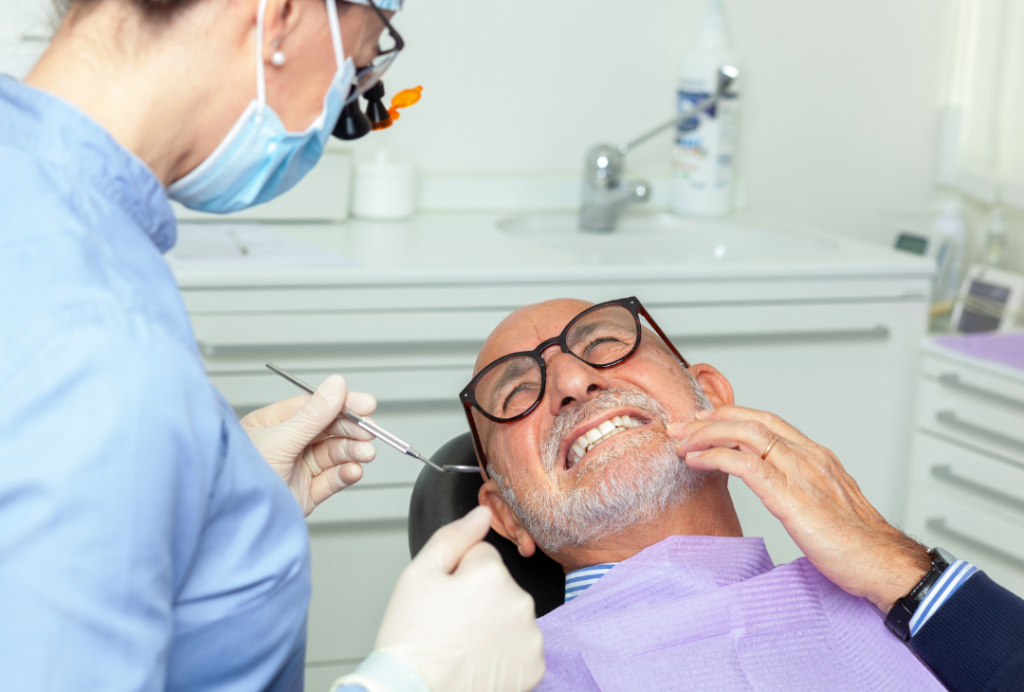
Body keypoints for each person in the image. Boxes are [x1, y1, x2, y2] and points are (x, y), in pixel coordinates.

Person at [0, 1, 544, 691]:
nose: (346, 110)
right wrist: (409, 681)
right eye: (358, 68)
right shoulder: (103, 339)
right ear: (283, 16)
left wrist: (211, 502)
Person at [462, 296, 1024, 692]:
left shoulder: (899, 600)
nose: (572, 382)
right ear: (507, 515)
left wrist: (902, 571)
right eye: (516, 392)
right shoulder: (510, 675)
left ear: (710, 397)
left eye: (605, 342)